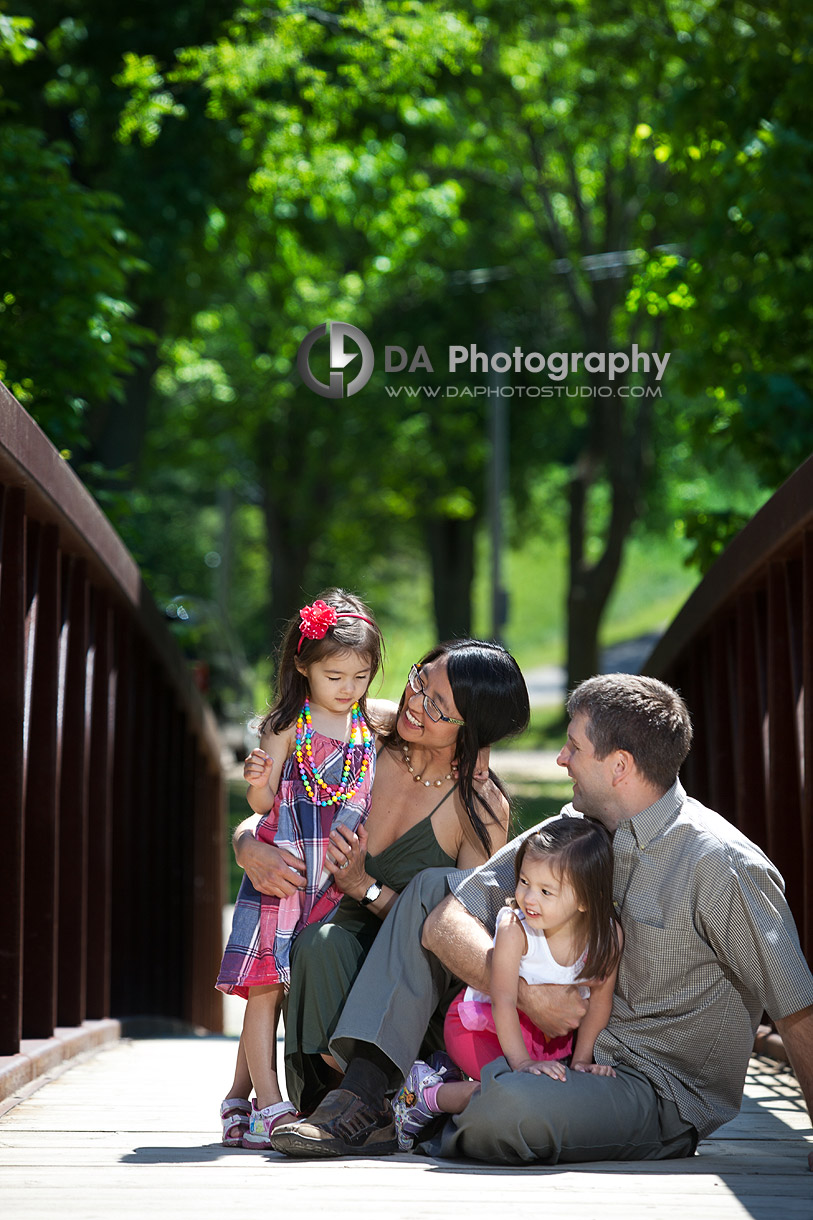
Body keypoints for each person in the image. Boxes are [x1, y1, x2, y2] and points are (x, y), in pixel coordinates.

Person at [270, 673, 813, 1168]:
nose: (559, 759)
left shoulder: (721, 864)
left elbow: (796, 1006)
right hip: (539, 1049)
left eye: (573, 746)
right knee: (433, 886)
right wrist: (527, 994)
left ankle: (424, 1100)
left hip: (651, 1084)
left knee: (508, 1108)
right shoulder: (575, 826)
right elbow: (445, 918)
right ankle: (367, 1098)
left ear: (619, 765)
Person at [231, 638, 531, 1120]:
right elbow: (276, 797)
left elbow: (458, 935)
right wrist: (246, 845)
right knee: (320, 942)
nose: (416, 704)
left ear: (473, 729)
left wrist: (363, 887)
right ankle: (330, 1104)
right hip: (327, 952)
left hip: (414, 979)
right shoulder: (366, 730)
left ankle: (380, 1102)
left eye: (439, 707)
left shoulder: (479, 807)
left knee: (335, 943)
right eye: (419, 681)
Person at [217, 589, 384, 1149]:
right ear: (302, 665)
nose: (348, 688)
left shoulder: (366, 726)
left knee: (289, 984)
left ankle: (236, 1099)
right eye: (334, 675)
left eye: (361, 676)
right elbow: (262, 805)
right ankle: (270, 1105)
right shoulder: (291, 723)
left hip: (330, 879)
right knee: (266, 988)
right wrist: (258, 777)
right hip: (285, 869)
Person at [392, 818, 622, 1151]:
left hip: (546, 1041)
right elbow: (502, 999)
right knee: (513, 1089)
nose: (529, 898)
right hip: (482, 1027)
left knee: (550, 1095)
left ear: (585, 900)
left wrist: (581, 1061)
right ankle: (427, 1095)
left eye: (546, 891)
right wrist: (522, 1065)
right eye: (524, 881)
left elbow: (600, 1002)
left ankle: (453, 1088)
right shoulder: (516, 928)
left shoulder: (607, 937)